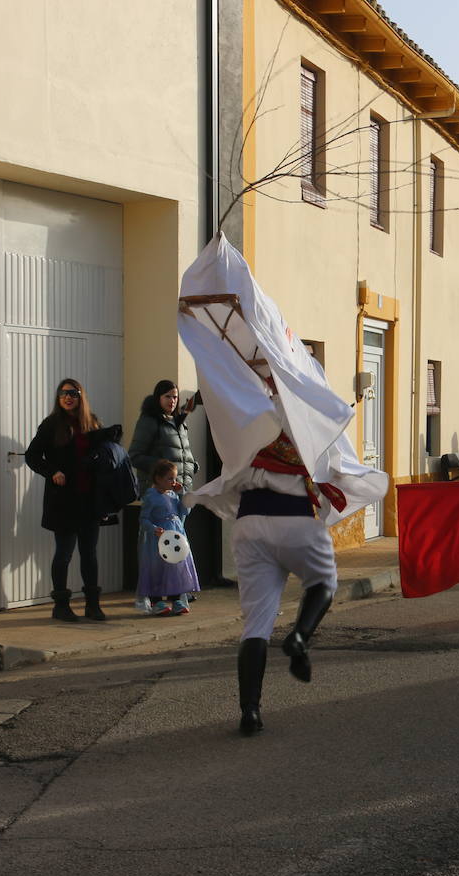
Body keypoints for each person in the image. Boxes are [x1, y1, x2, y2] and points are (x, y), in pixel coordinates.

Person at [177, 233, 388, 737]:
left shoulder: (247, 415)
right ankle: (300, 637)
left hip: (250, 524)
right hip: (294, 521)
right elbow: (335, 467)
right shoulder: (301, 419)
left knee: (253, 625)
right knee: (324, 584)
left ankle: (250, 711)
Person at [25, 378, 109, 623]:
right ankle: (61, 606)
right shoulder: (51, 424)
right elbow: (32, 456)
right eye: (63, 393)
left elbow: (104, 457)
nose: (68, 397)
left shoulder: (92, 422)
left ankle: (93, 605)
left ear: (81, 396)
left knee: (89, 554)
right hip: (63, 501)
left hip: (89, 500)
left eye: (73, 393)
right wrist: (52, 472)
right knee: (64, 553)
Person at [129, 379, 199, 609]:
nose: (173, 401)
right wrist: (162, 469)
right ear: (158, 397)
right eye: (168, 396)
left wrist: (191, 466)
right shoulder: (150, 422)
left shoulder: (177, 422)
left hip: (178, 495)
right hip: (158, 496)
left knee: (179, 547)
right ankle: (156, 596)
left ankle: (179, 592)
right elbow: (136, 455)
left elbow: (183, 454)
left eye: (175, 397)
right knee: (157, 551)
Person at [137, 459, 201, 615]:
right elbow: (143, 519)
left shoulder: (173, 494)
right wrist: (153, 529)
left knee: (176, 566)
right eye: (170, 478)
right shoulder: (151, 496)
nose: (174, 482)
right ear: (158, 479)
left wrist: (182, 495)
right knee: (158, 568)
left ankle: (177, 598)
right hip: (159, 539)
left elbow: (184, 511)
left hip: (176, 535)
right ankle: (156, 600)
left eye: (175, 478)